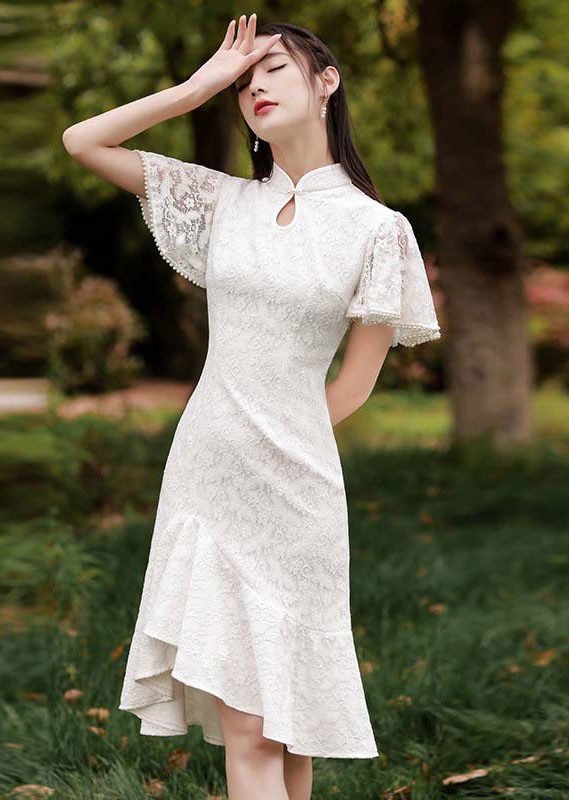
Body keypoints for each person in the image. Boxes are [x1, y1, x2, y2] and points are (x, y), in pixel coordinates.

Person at [62, 13, 441, 800]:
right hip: (207, 481)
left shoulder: (378, 230)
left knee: (282, 726)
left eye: (273, 68)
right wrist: (194, 88)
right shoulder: (220, 201)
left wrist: (284, 441)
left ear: (327, 81)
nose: (254, 87)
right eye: (242, 82)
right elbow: (83, 141)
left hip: (297, 490)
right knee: (251, 726)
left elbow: (356, 382)